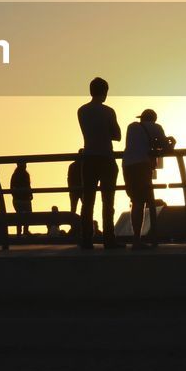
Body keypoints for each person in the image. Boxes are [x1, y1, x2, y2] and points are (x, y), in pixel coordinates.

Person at [77, 77, 121, 250]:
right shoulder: (108, 111)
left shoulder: (82, 111)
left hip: (88, 158)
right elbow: (117, 135)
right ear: (105, 92)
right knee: (108, 201)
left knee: (87, 201)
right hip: (106, 157)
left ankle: (86, 239)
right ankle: (109, 239)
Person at [123, 108, 170, 249]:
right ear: (154, 119)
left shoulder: (131, 127)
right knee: (143, 201)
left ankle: (136, 239)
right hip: (143, 166)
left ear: (142, 118)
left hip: (127, 165)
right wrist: (171, 142)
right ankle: (142, 239)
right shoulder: (156, 128)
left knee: (135, 201)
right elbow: (165, 148)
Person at [9, 160, 33, 236]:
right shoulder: (25, 174)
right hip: (24, 199)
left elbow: (11, 188)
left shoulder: (15, 175)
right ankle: (25, 230)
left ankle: (19, 232)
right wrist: (30, 194)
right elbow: (28, 186)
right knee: (28, 214)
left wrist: (15, 196)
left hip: (18, 199)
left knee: (19, 215)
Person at [66, 149, 84, 214]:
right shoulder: (86, 166)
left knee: (73, 208)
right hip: (81, 189)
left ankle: (74, 221)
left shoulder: (72, 165)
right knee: (85, 206)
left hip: (74, 189)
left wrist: (70, 188)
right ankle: (85, 221)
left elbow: (69, 178)